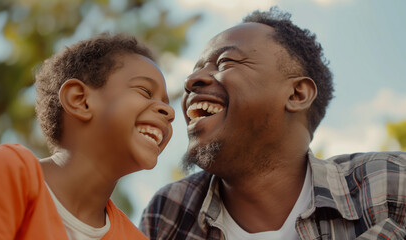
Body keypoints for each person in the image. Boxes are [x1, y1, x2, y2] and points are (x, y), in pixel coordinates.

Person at [139, 7, 406, 240]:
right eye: (195, 69)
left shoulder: (389, 184)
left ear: (296, 94)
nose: (191, 80)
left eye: (225, 62)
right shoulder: (168, 214)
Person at [0, 33, 175, 239]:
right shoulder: (9, 172)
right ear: (79, 100)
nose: (169, 112)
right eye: (144, 91)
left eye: (167, 102)